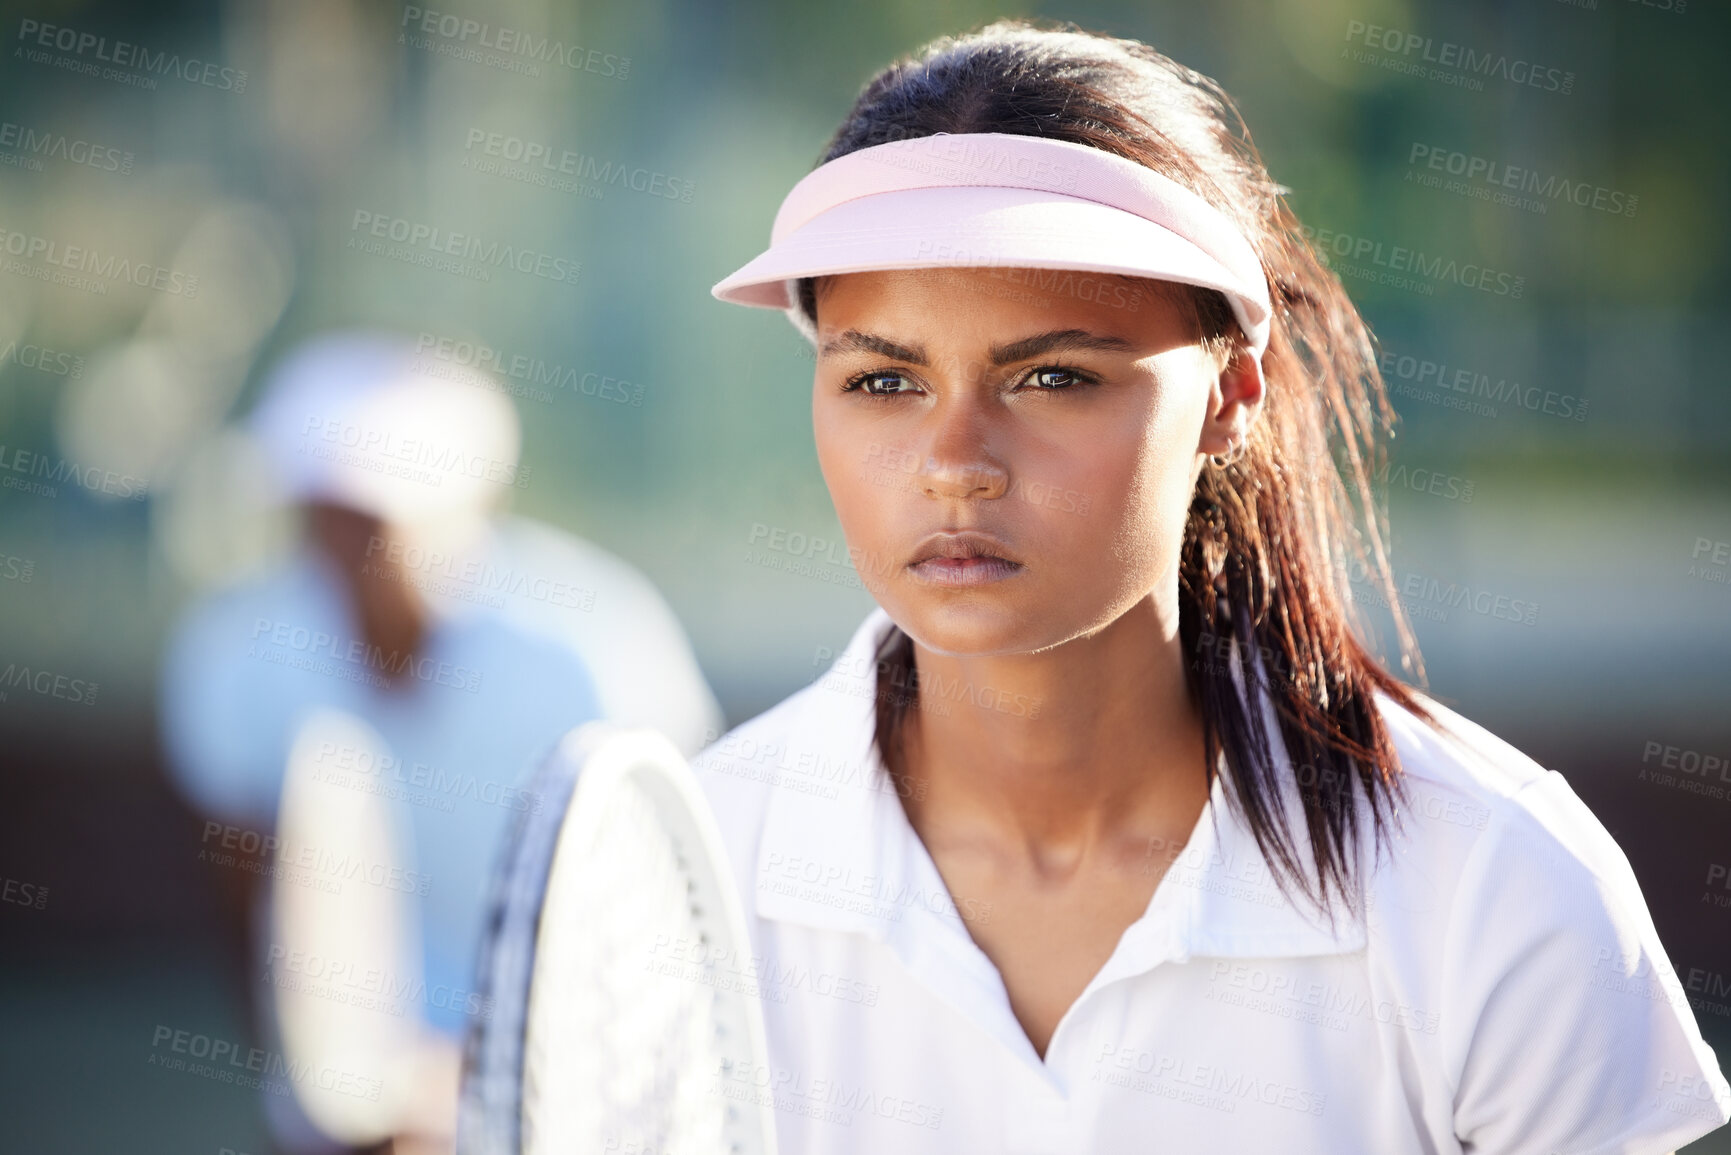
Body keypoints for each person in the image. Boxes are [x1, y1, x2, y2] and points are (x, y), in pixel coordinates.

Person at [694, 19, 1730, 1154]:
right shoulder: (692, 879)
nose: (956, 460)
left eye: (1053, 375)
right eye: (884, 379)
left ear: (1232, 394)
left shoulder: (1492, 883)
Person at [158, 332, 722, 1153]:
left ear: (465, 504)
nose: (345, 549)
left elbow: (666, 904)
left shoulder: (597, 644)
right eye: (321, 515)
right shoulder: (234, 651)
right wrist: (332, 1090)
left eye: (372, 518)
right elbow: (249, 890)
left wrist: (512, 1080)